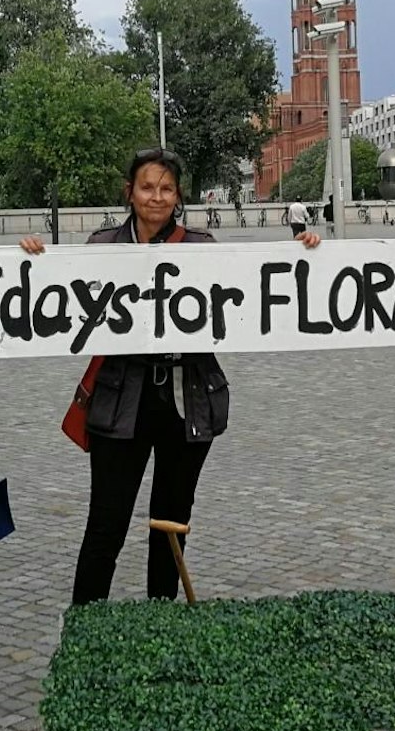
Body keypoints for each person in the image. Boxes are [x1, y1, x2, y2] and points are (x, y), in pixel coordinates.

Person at [20, 148, 320, 605]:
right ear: (130, 192)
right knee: (106, 523)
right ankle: (84, 626)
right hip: (121, 399)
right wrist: (33, 258)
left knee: (171, 525)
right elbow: (57, 293)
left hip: (187, 400)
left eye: (166, 189)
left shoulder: (200, 247)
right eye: (147, 187)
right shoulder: (103, 247)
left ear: (178, 196)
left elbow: (249, 288)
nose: (156, 197)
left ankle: (160, 620)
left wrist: (302, 254)